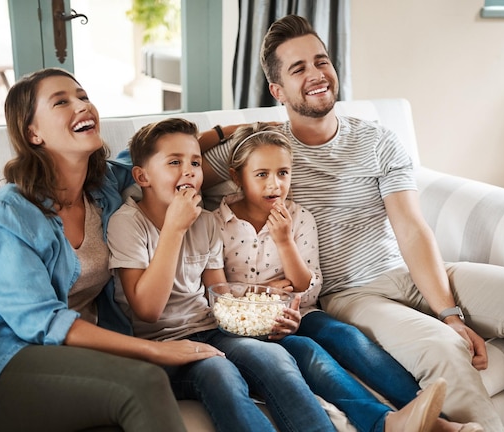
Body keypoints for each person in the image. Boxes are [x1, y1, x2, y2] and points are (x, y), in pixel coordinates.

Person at [201, 14, 504, 432]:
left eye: (321, 61)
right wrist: (226, 129)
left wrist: (449, 311)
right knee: (443, 347)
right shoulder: (265, 151)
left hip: (405, 271)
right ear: (277, 91)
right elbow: (169, 170)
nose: (317, 74)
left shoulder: (377, 138)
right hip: (353, 294)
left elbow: (412, 229)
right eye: (299, 69)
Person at [0, 68, 226, 432]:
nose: (82, 106)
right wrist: (156, 350)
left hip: (78, 358)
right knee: (145, 380)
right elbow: (41, 321)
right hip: (5, 356)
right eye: (61, 101)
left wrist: (225, 133)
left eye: (83, 97)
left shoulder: (104, 189)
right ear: (32, 132)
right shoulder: (8, 213)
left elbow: (157, 160)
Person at [212, 122, 482, 432]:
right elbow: (220, 296)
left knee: (348, 337)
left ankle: (427, 418)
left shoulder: (299, 218)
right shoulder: (216, 224)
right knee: (311, 354)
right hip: (248, 328)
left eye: (283, 173)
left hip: (300, 311)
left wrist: (284, 243)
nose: (275, 184)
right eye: (262, 174)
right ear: (236, 176)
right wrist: (266, 294)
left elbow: (309, 288)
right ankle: (388, 423)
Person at [106, 117, 340, 432]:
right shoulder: (127, 224)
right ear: (142, 176)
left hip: (211, 330)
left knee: (276, 359)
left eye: (194, 162)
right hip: (160, 345)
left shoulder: (204, 222)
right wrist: (174, 229)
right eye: (174, 162)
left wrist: (269, 315)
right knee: (220, 372)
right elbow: (148, 311)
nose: (188, 171)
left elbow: (220, 296)